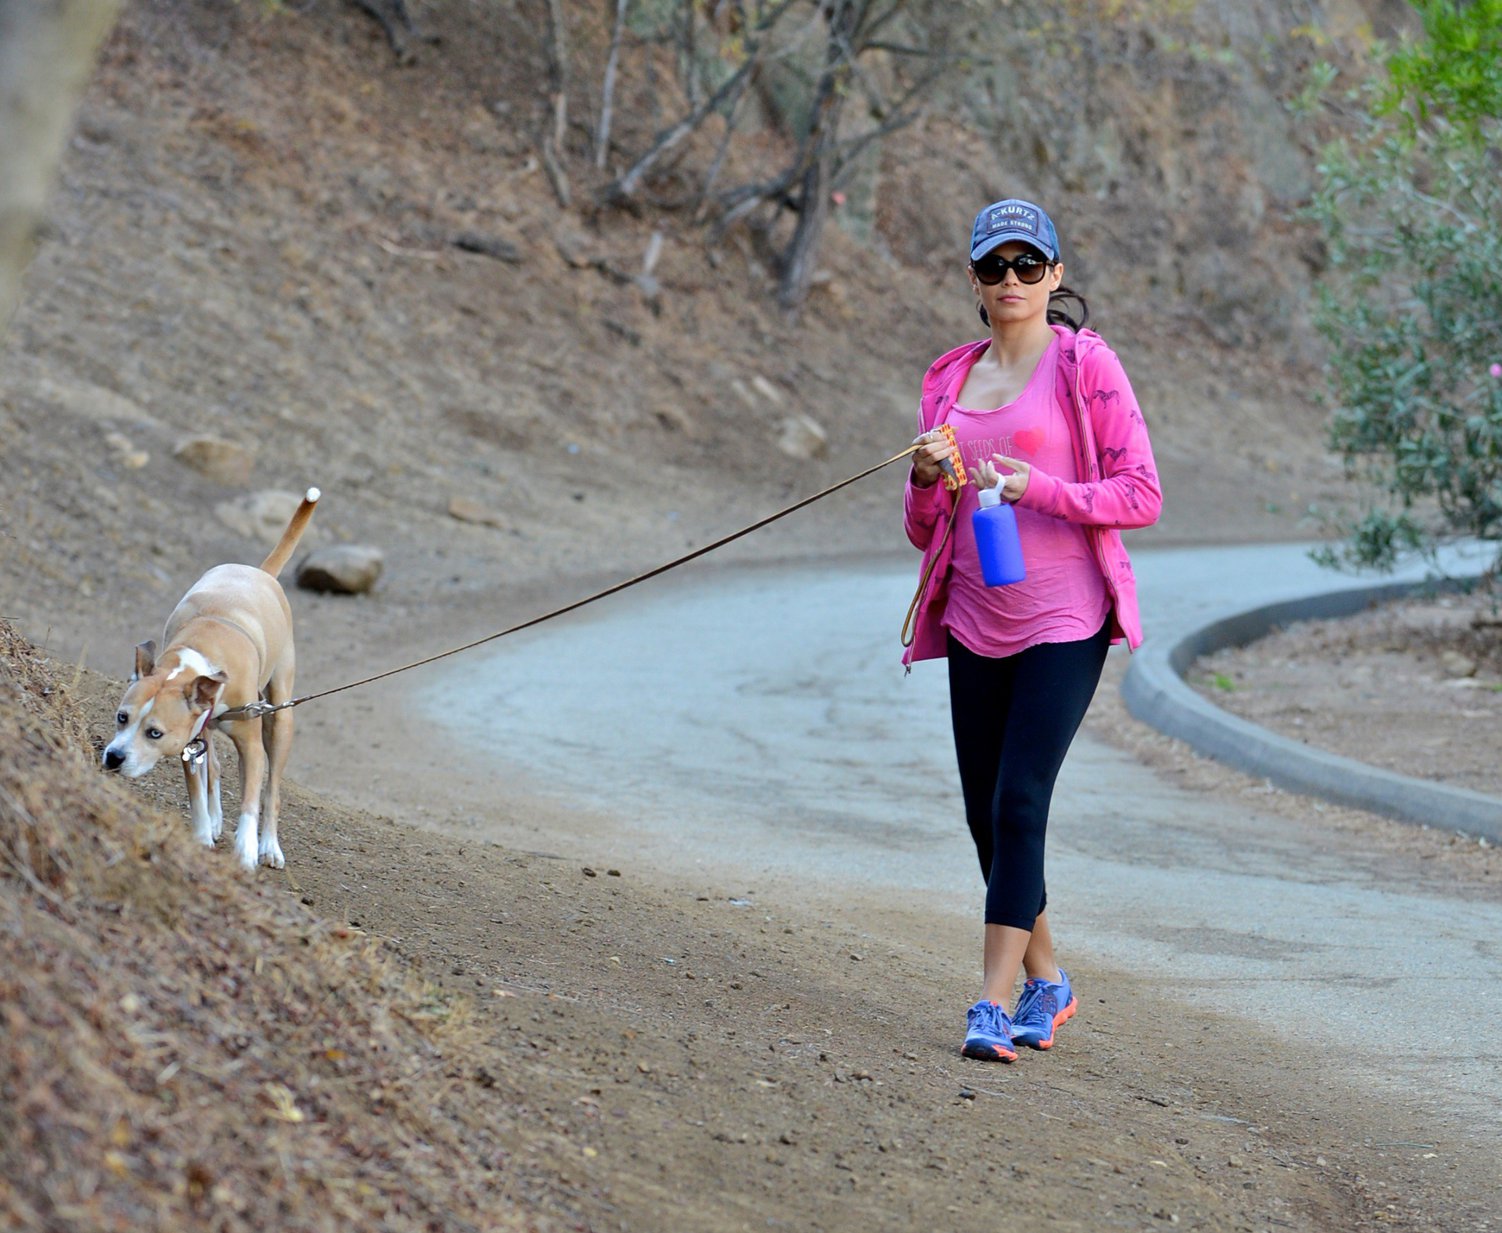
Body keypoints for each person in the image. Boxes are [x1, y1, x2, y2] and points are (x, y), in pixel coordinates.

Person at [903, 198, 1162, 1062]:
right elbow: (922, 526)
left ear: (1055, 276)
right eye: (992, 267)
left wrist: (1040, 489)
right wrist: (926, 478)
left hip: (1065, 616)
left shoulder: (1087, 367)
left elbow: (1141, 495)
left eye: (1027, 265)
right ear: (974, 282)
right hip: (976, 615)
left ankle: (991, 1001)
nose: (1009, 281)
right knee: (988, 817)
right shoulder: (948, 381)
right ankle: (1050, 980)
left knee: (1021, 802)